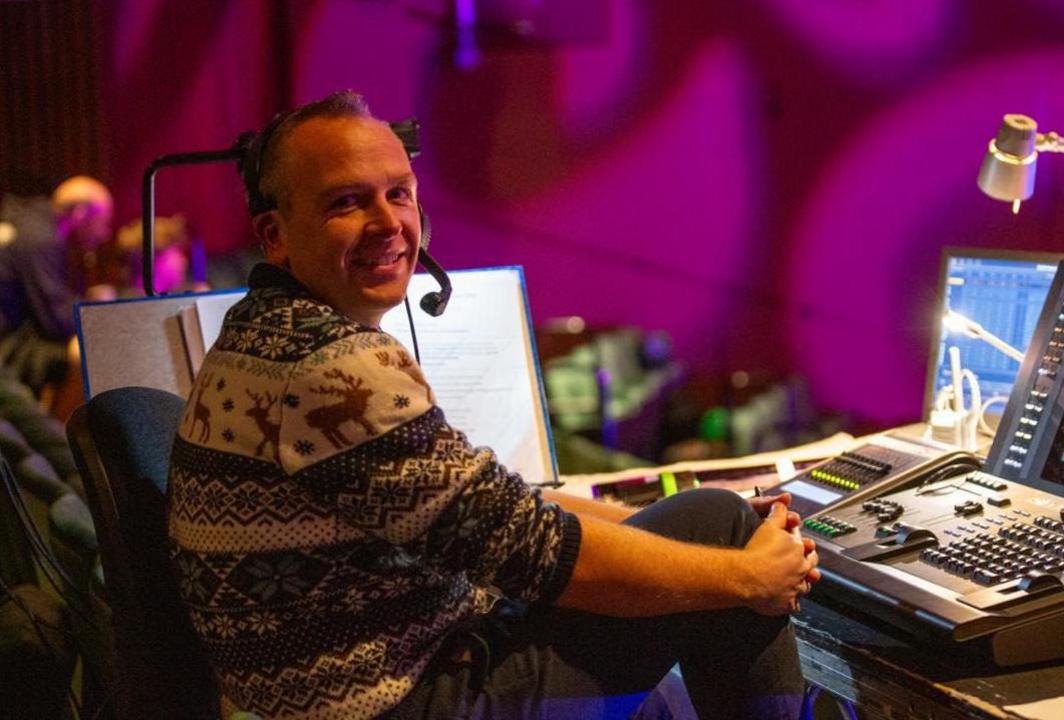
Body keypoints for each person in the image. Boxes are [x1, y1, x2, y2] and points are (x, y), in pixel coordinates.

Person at [166, 91, 820, 720]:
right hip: (405, 702)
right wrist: (747, 577)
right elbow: (532, 552)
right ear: (275, 236)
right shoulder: (330, 365)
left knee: (705, 519)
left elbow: (494, 508)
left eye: (399, 193)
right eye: (346, 202)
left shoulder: (264, 332)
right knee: (724, 531)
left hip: (362, 682)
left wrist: (644, 521)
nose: (389, 223)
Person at [0, 176, 115, 398]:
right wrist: (98, 309)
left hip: (12, 335)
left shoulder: (29, 223)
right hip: (8, 347)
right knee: (89, 350)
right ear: (81, 212)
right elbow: (54, 320)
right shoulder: (41, 237)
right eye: (102, 221)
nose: (104, 234)